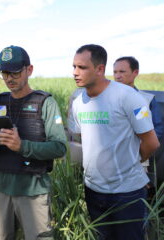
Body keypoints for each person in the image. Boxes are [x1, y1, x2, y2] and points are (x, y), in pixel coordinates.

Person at [70, 44, 160, 240]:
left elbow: (151, 143)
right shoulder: (78, 103)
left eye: (82, 67)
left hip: (127, 193)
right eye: (74, 67)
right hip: (93, 190)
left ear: (100, 69)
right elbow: (84, 139)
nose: (75, 73)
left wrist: (131, 162)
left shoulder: (128, 97)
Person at [0, 45, 67, 240]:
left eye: (15, 72)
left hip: (33, 190)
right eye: (4, 73)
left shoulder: (45, 102)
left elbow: (60, 148)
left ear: (30, 70)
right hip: (2, 188)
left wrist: (22, 146)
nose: (9, 78)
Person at [114, 56, 163, 140]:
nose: (117, 76)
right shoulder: (104, 98)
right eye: (115, 72)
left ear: (135, 72)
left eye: (122, 72)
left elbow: (157, 130)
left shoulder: (147, 99)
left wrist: (141, 150)